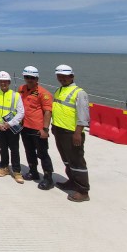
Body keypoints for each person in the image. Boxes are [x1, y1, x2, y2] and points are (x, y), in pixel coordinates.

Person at [52, 65, 91, 202]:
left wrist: (78, 133)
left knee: (77, 162)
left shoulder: (79, 93)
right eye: (59, 76)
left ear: (72, 76)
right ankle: (72, 181)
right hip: (59, 130)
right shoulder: (59, 90)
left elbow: (83, 115)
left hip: (71, 133)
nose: (62, 78)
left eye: (65, 76)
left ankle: (83, 190)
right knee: (67, 160)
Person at [18, 66, 55, 190]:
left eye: (32, 78)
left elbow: (48, 112)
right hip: (24, 127)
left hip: (38, 129)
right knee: (29, 151)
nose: (29, 80)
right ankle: (33, 171)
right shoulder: (21, 89)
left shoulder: (44, 94)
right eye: (27, 77)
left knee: (43, 153)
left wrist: (45, 129)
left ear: (37, 78)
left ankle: (48, 178)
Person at [0, 71, 25, 184]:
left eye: (4, 81)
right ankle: (4, 167)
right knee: (3, 148)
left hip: (12, 127)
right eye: (0, 81)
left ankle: (17, 171)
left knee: (14, 149)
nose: (2, 83)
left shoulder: (16, 95)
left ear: (9, 82)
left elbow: (21, 113)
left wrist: (9, 124)